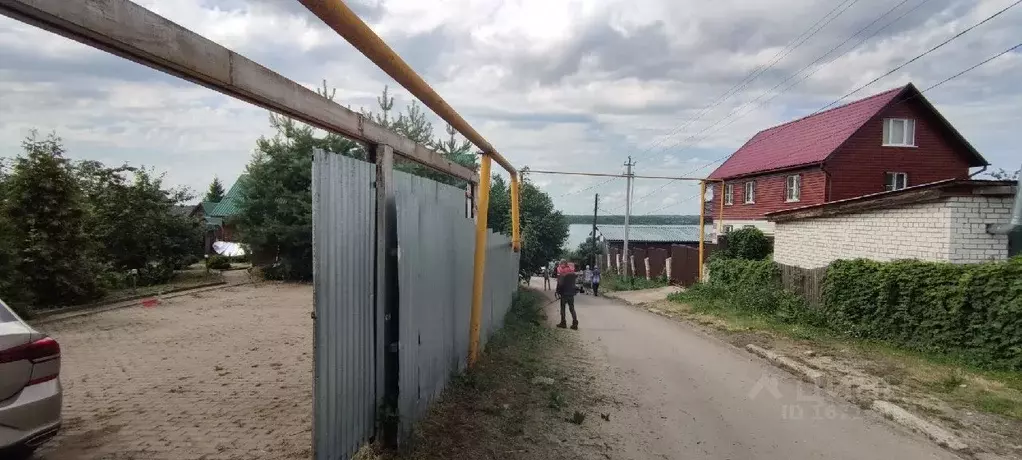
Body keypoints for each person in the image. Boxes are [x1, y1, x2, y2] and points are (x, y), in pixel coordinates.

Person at [555, 261, 579, 330]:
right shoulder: (572, 273)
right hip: (571, 294)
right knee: (572, 308)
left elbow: (560, 284)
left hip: (564, 293)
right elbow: (574, 284)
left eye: (561, 264)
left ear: (564, 264)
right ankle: (575, 323)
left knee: (563, 308)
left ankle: (563, 323)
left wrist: (557, 291)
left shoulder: (562, 273)